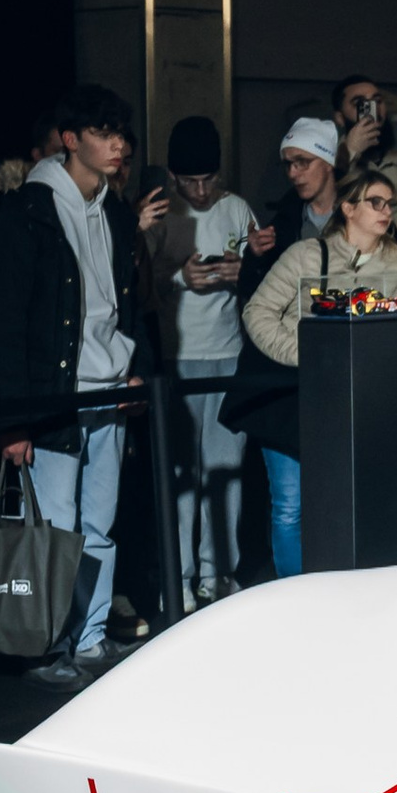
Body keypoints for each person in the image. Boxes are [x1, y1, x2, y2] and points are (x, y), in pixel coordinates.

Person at [0, 87, 167, 681]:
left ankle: (87, 640)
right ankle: (50, 646)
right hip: (54, 396)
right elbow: (5, 320)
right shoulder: (30, 208)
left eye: (122, 133)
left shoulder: (114, 210)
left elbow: (124, 306)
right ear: (72, 139)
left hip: (108, 389)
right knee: (57, 527)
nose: (118, 144)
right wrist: (13, 420)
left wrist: (132, 363)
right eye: (104, 132)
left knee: (100, 523)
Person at [238, 170, 397, 575]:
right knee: (290, 504)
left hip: (356, 401)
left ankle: (345, 592)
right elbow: (258, 311)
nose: (386, 211)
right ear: (348, 208)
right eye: (376, 202)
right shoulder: (309, 254)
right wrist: (308, 354)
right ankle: (293, 594)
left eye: (391, 204)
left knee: (348, 502)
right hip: (294, 398)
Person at [145, 113, 251, 603]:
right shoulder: (161, 214)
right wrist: (180, 278)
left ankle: (218, 575)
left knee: (224, 473)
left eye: (209, 179)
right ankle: (180, 579)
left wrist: (241, 272)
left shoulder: (238, 209)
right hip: (177, 357)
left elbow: (263, 278)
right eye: (191, 181)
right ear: (173, 176)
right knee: (181, 474)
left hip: (228, 353)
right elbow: (137, 285)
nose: (202, 191)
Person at [241, 115, 342, 293]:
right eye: (288, 164)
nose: (292, 173)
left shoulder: (360, 215)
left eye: (302, 162)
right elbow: (252, 292)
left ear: (328, 162)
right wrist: (256, 257)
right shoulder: (283, 225)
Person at [332, 77, 397, 235]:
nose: (372, 111)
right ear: (340, 118)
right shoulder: (325, 163)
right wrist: (349, 153)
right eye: (359, 104)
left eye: (377, 101)